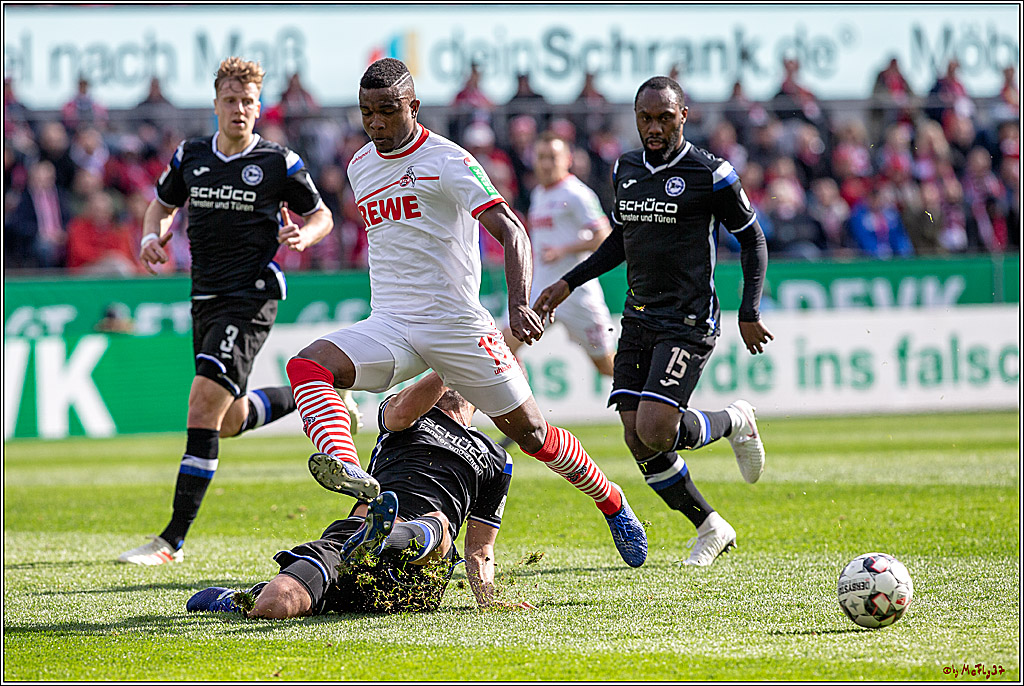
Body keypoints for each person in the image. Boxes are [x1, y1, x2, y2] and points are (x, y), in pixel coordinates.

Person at [283, 57, 647, 569]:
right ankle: (353, 473)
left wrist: (518, 303)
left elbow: (512, 230)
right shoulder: (359, 165)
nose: (376, 122)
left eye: (387, 110)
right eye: (367, 112)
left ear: (413, 106)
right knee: (308, 364)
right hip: (391, 323)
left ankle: (612, 501)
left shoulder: (448, 160)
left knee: (532, 435)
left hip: (457, 325)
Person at [534, 76, 773, 567]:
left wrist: (748, 309)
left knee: (657, 430)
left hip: (688, 319)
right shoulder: (625, 169)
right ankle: (710, 525)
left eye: (665, 117)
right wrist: (569, 282)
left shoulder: (712, 174)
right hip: (638, 316)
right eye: (646, 118)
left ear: (683, 115)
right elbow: (621, 240)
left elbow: (752, 238)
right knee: (636, 438)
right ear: (637, 119)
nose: (655, 127)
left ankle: (734, 421)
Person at [117, 57, 344, 566]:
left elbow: (321, 215)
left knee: (202, 405)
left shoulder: (278, 162)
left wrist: (303, 236)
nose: (239, 108)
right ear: (216, 104)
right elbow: (162, 206)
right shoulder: (191, 155)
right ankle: (321, 396)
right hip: (205, 297)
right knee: (227, 419)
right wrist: (153, 236)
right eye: (230, 100)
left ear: (258, 108)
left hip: (252, 295)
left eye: (248, 101)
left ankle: (170, 541)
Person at [186, 372, 531, 617]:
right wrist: (452, 362)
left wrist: (489, 599)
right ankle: (244, 597)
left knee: (439, 524)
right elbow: (401, 411)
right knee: (274, 605)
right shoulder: (407, 411)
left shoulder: (497, 457)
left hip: (418, 577)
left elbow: (480, 547)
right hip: (350, 542)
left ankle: (384, 538)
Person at [500, 132, 616, 380]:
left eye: (552, 157)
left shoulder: (577, 193)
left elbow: (604, 237)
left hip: (576, 292)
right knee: (502, 347)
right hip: (541, 290)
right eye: (541, 157)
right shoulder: (538, 194)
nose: (546, 163)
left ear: (567, 159)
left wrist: (564, 249)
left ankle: (650, 394)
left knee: (607, 366)